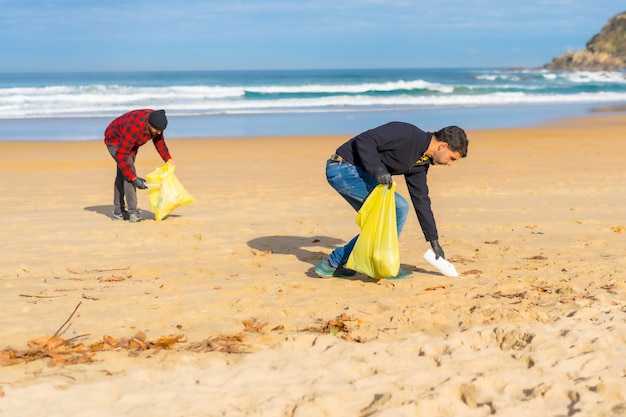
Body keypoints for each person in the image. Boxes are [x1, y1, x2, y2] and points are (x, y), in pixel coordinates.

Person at [315, 121, 468, 279]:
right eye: (452, 158)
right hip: (343, 168)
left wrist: (433, 240)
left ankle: (333, 264)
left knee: (381, 221)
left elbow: (421, 200)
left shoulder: (420, 164)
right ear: (443, 146)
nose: (450, 164)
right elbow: (365, 140)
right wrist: (378, 169)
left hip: (359, 174)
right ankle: (371, 264)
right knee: (398, 208)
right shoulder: (407, 133)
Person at [104, 109, 174, 223]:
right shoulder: (134, 127)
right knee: (129, 175)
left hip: (130, 144)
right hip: (115, 141)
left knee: (123, 174)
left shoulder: (157, 121)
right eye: (157, 130)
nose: (159, 133)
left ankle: (118, 212)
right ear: (149, 125)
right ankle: (133, 213)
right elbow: (122, 155)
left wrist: (168, 159)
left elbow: (159, 142)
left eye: (161, 130)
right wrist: (134, 179)